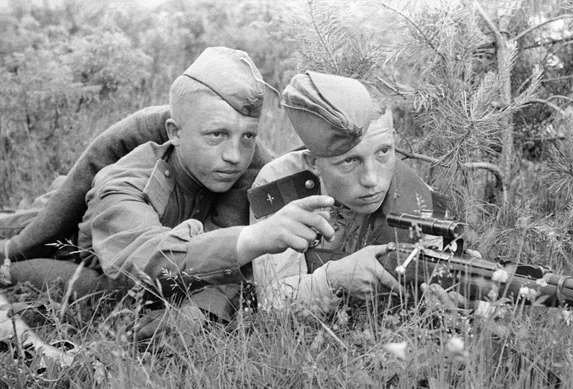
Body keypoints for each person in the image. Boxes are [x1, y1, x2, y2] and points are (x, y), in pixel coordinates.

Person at [0, 48, 336, 326]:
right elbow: (145, 262)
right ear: (174, 132)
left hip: (156, 266)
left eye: (247, 136)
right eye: (216, 135)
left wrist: (202, 309)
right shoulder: (123, 181)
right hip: (85, 253)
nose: (235, 156)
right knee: (99, 291)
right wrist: (253, 240)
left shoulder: (252, 167)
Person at [250, 71, 456, 315]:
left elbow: (443, 286)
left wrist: (453, 295)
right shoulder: (280, 185)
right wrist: (333, 279)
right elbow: (270, 304)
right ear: (314, 162)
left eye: (383, 152)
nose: (371, 179)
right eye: (349, 161)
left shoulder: (419, 198)